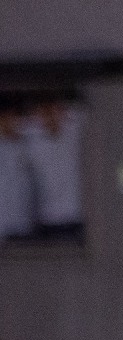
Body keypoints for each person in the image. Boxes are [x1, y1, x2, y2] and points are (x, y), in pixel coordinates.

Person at [22, 96, 84, 240]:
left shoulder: (72, 131)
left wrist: (62, 109)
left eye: (52, 111)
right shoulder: (33, 141)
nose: (48, 117)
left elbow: (84, 110)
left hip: (76, 214)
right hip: (48, 217)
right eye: (43, 113)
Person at [0, 101, 33, 241]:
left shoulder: (27, 144)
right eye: (6, 118)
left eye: (14, 118)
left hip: (23, 220)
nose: (12, 122)